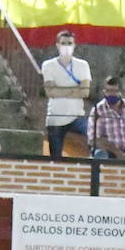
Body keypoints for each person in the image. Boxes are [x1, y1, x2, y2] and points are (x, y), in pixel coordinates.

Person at [41, 30, 91, 158]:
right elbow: (50, 91)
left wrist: (60, 90)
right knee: (55, 158)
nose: (66, 46)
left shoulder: (82, 65)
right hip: (55, 117)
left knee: (94, 136)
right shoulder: (48, 65)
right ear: (57, 45)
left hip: (77, 116)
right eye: (63, 43)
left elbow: (85, 92)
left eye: (69, 43)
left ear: (74, 45)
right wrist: (74, 90)